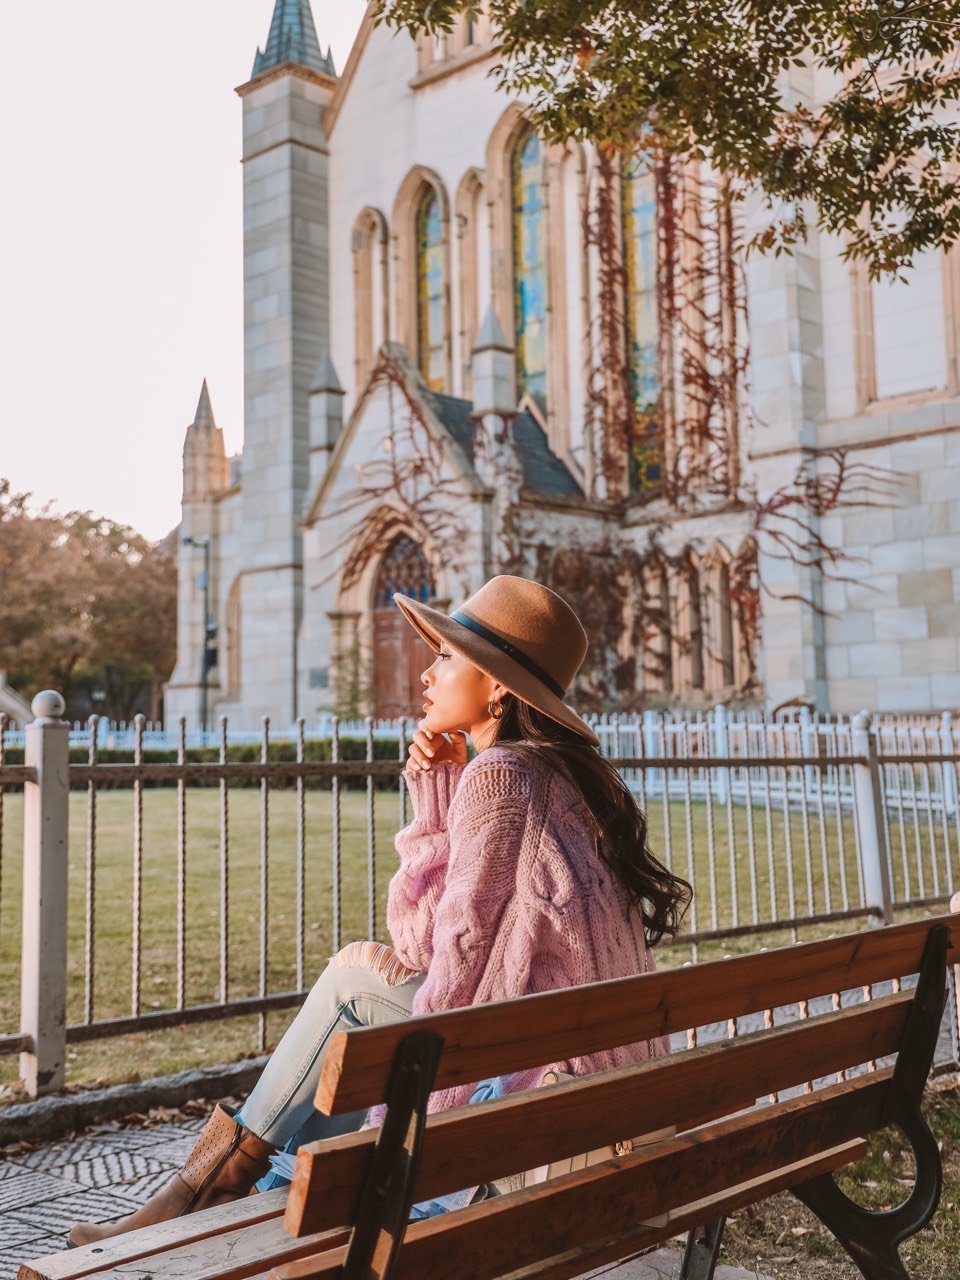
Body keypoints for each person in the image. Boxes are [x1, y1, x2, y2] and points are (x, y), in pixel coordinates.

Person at [68, 575, 690, 1246]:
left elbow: (452, 967)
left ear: (500, 686)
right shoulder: (554, 772)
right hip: (603, 1090)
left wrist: (404, 1147)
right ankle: (239, 1188)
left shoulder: (505, 774)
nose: (428, 672)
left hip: (548, 1100)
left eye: (448, 657)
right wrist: (434, 794)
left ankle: (211, 1190)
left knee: (350, 986)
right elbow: (442, 949)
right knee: (360, 984)